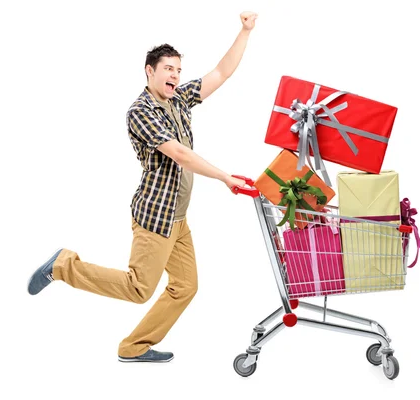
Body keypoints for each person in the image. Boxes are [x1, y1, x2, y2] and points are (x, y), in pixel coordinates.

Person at [27, 11, 257, 363]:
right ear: (150, 71)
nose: (175, 76)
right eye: (168, 69)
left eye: (178, 70)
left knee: (186, 286)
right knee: (139, 288)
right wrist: (225, 176)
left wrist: (244, 31)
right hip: (155, 217)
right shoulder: (140, 111)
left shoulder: (178, 99)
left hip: (178, 221)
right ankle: (62, 266)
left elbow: (222, 72)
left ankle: (134, 347)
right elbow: (180, 154)